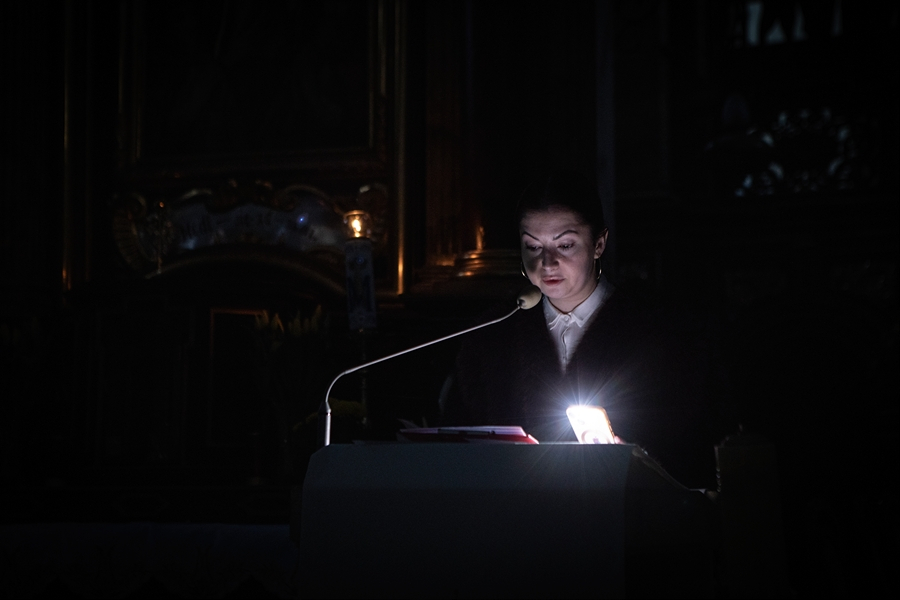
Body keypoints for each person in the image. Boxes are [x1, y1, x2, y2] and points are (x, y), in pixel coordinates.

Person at [438, 170, 719, 488]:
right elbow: (458, 442)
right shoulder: (493, 333)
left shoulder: (659, 330)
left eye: (565, 245)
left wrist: (636, 461)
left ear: (598, 244)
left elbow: (691, 444)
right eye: (533, 247)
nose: (547, 263)